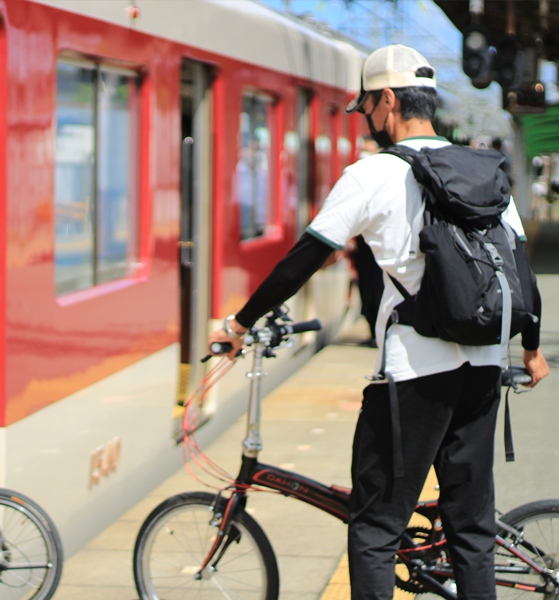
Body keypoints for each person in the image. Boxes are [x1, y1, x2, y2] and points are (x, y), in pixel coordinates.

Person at [209, 45, 549, 600]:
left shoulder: (372, 174)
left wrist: (241, 324)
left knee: (374, 529)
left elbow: (304, 257)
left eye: (366, 106)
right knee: (471, 529)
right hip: (485, 366)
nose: (366, 117)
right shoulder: (484, 170)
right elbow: (519, 269)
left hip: (416, 373)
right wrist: (530, 349)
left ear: (386, 100)